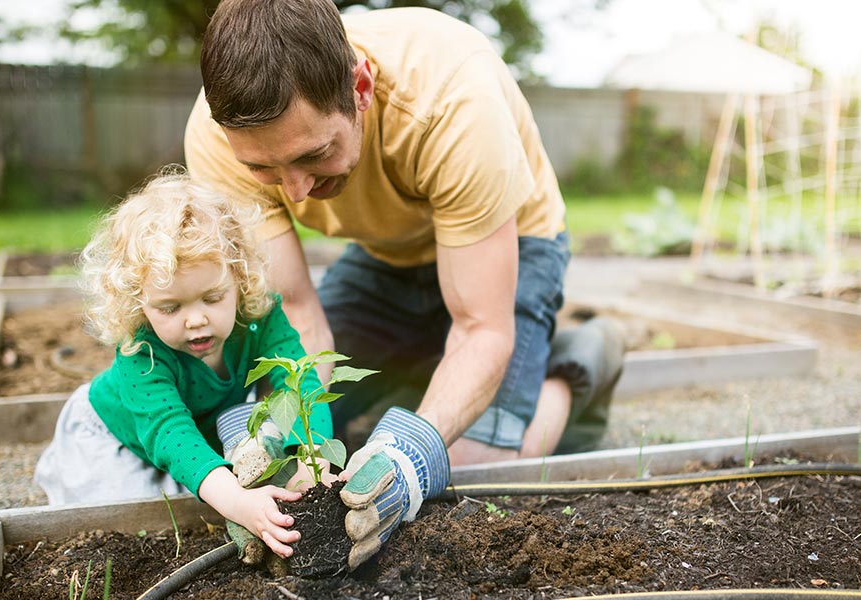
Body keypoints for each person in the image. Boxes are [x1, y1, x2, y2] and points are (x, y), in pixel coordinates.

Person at [184, 0, 625, 570]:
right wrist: (274, 437)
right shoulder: (220, 137)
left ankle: (578, 361)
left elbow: (481, 328)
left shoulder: (452, 100)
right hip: (383, 254)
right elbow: (295, 310)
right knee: (309, 441)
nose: (293, 192)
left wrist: (411, 456)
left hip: (512, 244)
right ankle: (426, 371)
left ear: (360, 86)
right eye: (264, 170)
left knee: (474, 464)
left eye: (314, 154)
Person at [33, 169, 335, 560]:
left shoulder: (259, 316)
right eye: (170, 307)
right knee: (132, 525)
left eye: (212, 298)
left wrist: (313, 461)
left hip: (196, 426)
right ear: (137, 301)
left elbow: (298, 381)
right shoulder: (141, 354)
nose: (195, 320)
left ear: (239, 278)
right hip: (113, 438)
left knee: (208, 492)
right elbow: (170, 433)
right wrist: (239, 504)